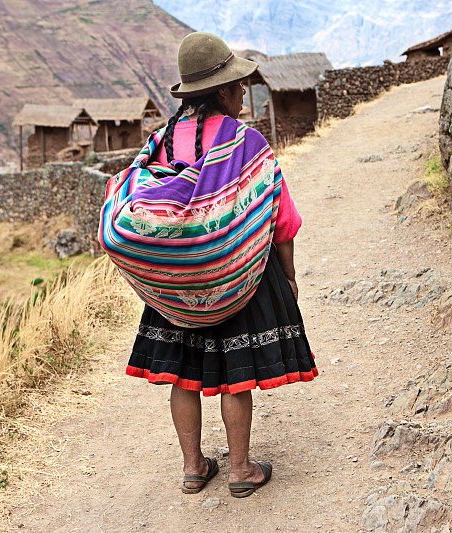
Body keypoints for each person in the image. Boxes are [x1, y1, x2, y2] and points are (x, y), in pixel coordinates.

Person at [123, 32, 317, 497]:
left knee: (183, 373)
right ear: (223, 92)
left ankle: (194, 468)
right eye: (238, 86)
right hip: (237, 274)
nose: (243, 94)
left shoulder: (162, 142)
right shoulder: (246, 143)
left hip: (176, 283)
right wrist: (287, 275)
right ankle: (241, 470)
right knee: (234, 373)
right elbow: (281, 217)